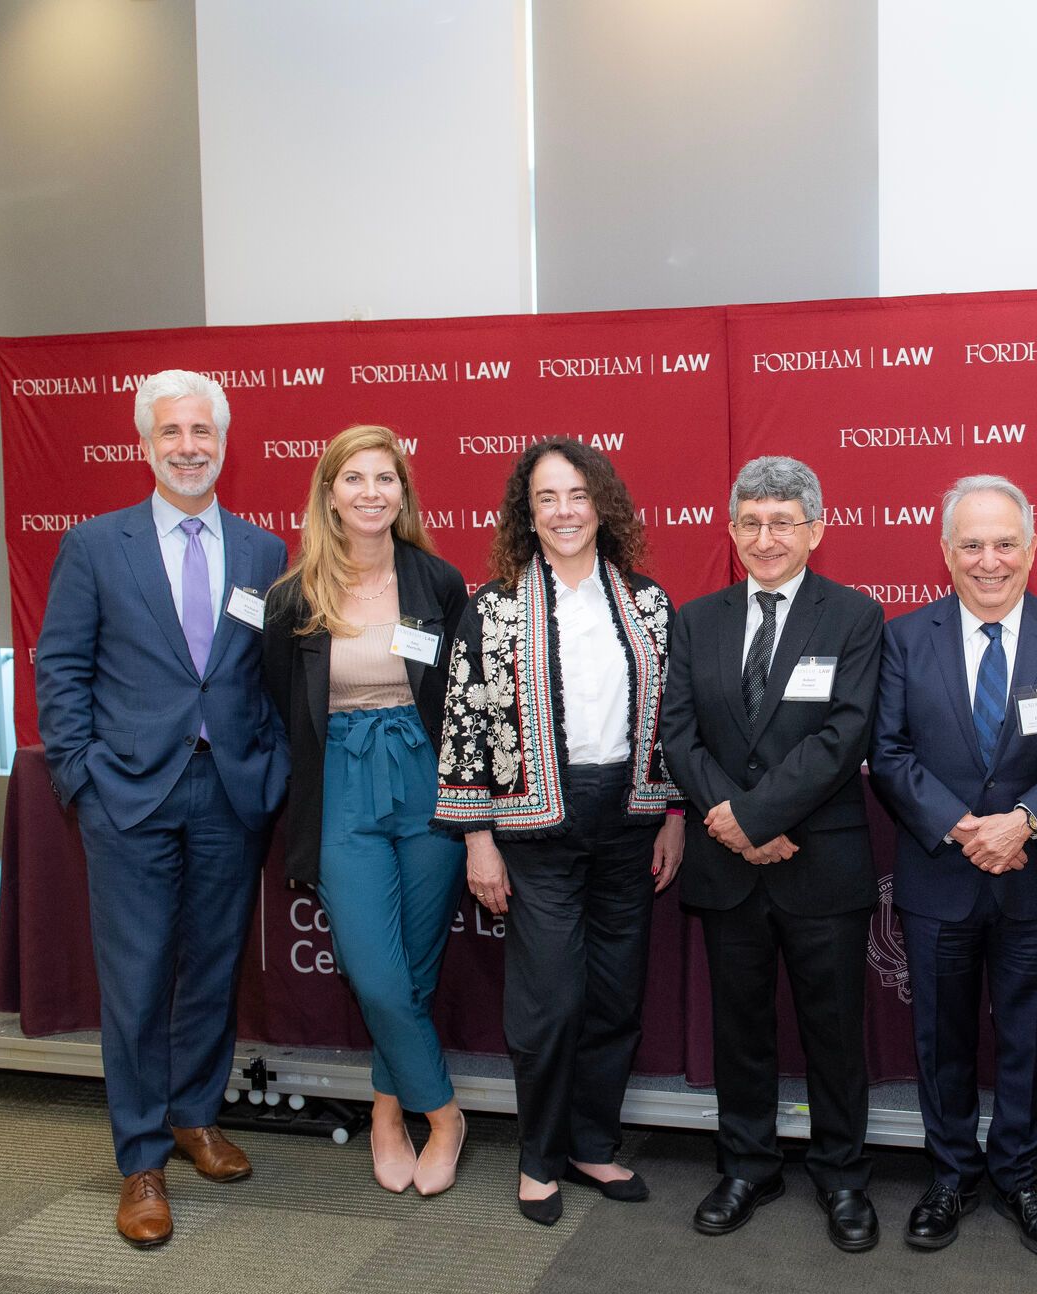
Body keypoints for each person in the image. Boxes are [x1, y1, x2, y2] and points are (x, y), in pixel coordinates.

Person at [35, 369, 288, 1247]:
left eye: (203, 433)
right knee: (138, 980)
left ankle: (194, 1114)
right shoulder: (95, 545)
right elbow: (60, 667)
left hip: (229, 792)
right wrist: (82, 776)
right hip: (128, 794)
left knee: (213, 968)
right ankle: (141, 1157)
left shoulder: (261, 550)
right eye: (172, 433)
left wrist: (271, 767)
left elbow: (270, 676)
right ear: (146, 444)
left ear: (224, 443)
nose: (189, 447)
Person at [435, 438, 686, 1225]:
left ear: (601, 503)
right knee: (548, 999)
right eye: (547, 497)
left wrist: (674, 812)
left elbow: (675, 716)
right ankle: (538, 1155)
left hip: (632, 815)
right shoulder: (493, 605)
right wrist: (477, 837)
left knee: (615, 993)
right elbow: (465, 723)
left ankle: (590, 1141)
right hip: (533, 825)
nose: (565, 510)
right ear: (527, 512)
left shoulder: (648, 601)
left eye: (578, 494)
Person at [870, 475, 1037, 1260]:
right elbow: (889, 751)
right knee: (939, 1038)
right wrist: (959, 825)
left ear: (1032, 548)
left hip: (1034, 872)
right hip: (940, 875)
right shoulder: (905, 637)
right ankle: (949, 1175)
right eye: (972, 544)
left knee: (1028, 1034)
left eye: (1005, 542)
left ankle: (1019, 1174)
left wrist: (1024, 822)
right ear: (946, 552)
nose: (989, 559)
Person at [658, 456, 886, 1252]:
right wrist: (734, 824)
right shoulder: (696, 619)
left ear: (816, 530)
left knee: (833, 1031)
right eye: (750, 522)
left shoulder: (855, 616)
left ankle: (843, 1175)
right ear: (730, 530)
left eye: (783, 521)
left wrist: (752, 817)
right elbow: (677, 733)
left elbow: (844, 733)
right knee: (740, 1028)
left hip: (819, 858)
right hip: (728, 866)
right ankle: (747, 1164)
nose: (766, 536)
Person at [262, 425, 470, 1195]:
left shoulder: (439, 582)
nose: (371, 493)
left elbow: (464, 700)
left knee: (413, 971)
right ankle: (443, 1111)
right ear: (329, 493)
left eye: (386, 478)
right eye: (355, 478)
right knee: (377, 975)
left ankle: (387, 1110)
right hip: (341, 786)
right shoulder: (294, 596)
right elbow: (281, 700)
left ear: (403, 494)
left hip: (428, 782)